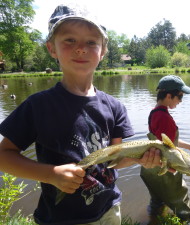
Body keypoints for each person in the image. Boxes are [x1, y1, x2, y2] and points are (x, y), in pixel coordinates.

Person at [0, 4, 162, 225]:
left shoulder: (115, 106)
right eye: (69, 40)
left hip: (109, 211)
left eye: (91, 42)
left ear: (103, 51)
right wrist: (50, 175)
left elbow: (116, 160)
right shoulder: (38, 106)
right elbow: (4, 156)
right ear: (52, 48)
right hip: (59, 219)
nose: (81, 48)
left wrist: (143, 159)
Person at [140, 75, 190, 224]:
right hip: (165, 172)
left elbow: (166, 142)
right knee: (183, 208)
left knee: (157, 203)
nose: (181, 101)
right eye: (180, 96)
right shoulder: (165, 118)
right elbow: (168, 153)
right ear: (169, 95)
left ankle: (153, 220)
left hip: (149, 170)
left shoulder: (155, 113)